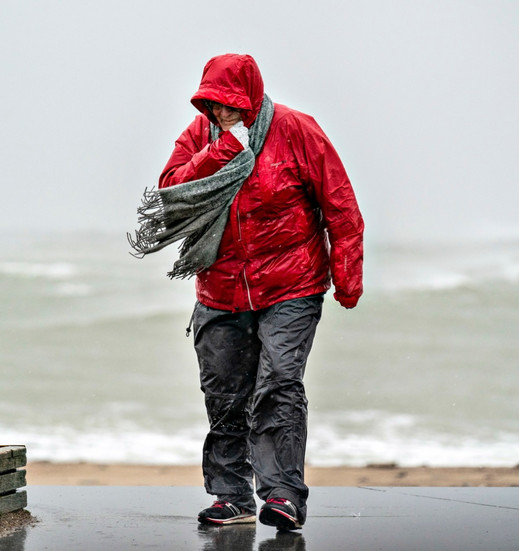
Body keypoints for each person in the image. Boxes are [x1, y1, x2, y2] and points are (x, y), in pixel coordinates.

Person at [129, 53, 364, 531]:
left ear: (252, 98)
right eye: (212, 105)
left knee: (278, 384)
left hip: (292, 283)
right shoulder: (201, 136)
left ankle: (282, 494)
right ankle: (231, 496)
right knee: (224, 394)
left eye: (228, 104)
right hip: (219, 288)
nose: (220, 113)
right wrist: (221, 151)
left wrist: (348, 277)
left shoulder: (298, 130)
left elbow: (340, 205)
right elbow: (171, 191)